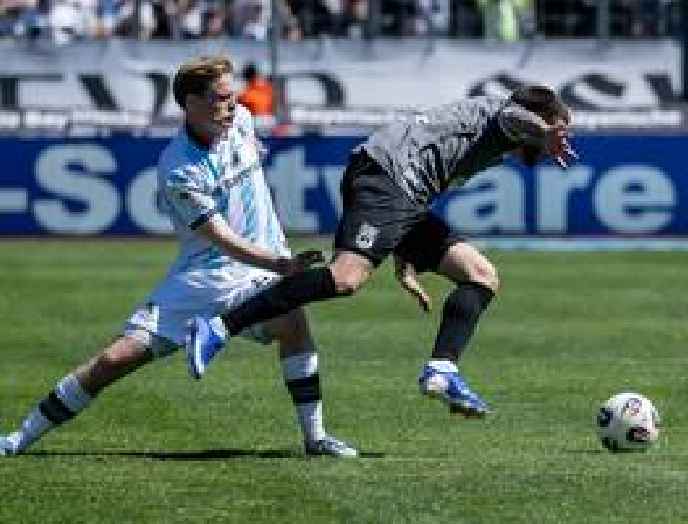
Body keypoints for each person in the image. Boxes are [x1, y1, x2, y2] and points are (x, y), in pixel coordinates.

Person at [0, 55, 357, 458]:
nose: (232, 105)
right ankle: (19, 439)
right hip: (202, 279)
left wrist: (275, 257)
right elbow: (222, 239)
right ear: (191, 102)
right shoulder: (178, 167)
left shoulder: (242, 121)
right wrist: (280, 264)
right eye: (221, 98)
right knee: (114, 359)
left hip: (255, 273)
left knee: (293, 321)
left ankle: (315, 438)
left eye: (233, 96)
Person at [186, 85, 576, 417]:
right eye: (561, 130)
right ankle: (219, 327)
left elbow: (427, 188)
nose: (559, 144)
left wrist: (405, 259)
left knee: (481, 275)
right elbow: (513, 115)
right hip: (387, 177)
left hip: (403, 192)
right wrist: (546, 131)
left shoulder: (493, 140)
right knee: (345, 278)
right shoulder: (505, 119)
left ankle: (442, 370)